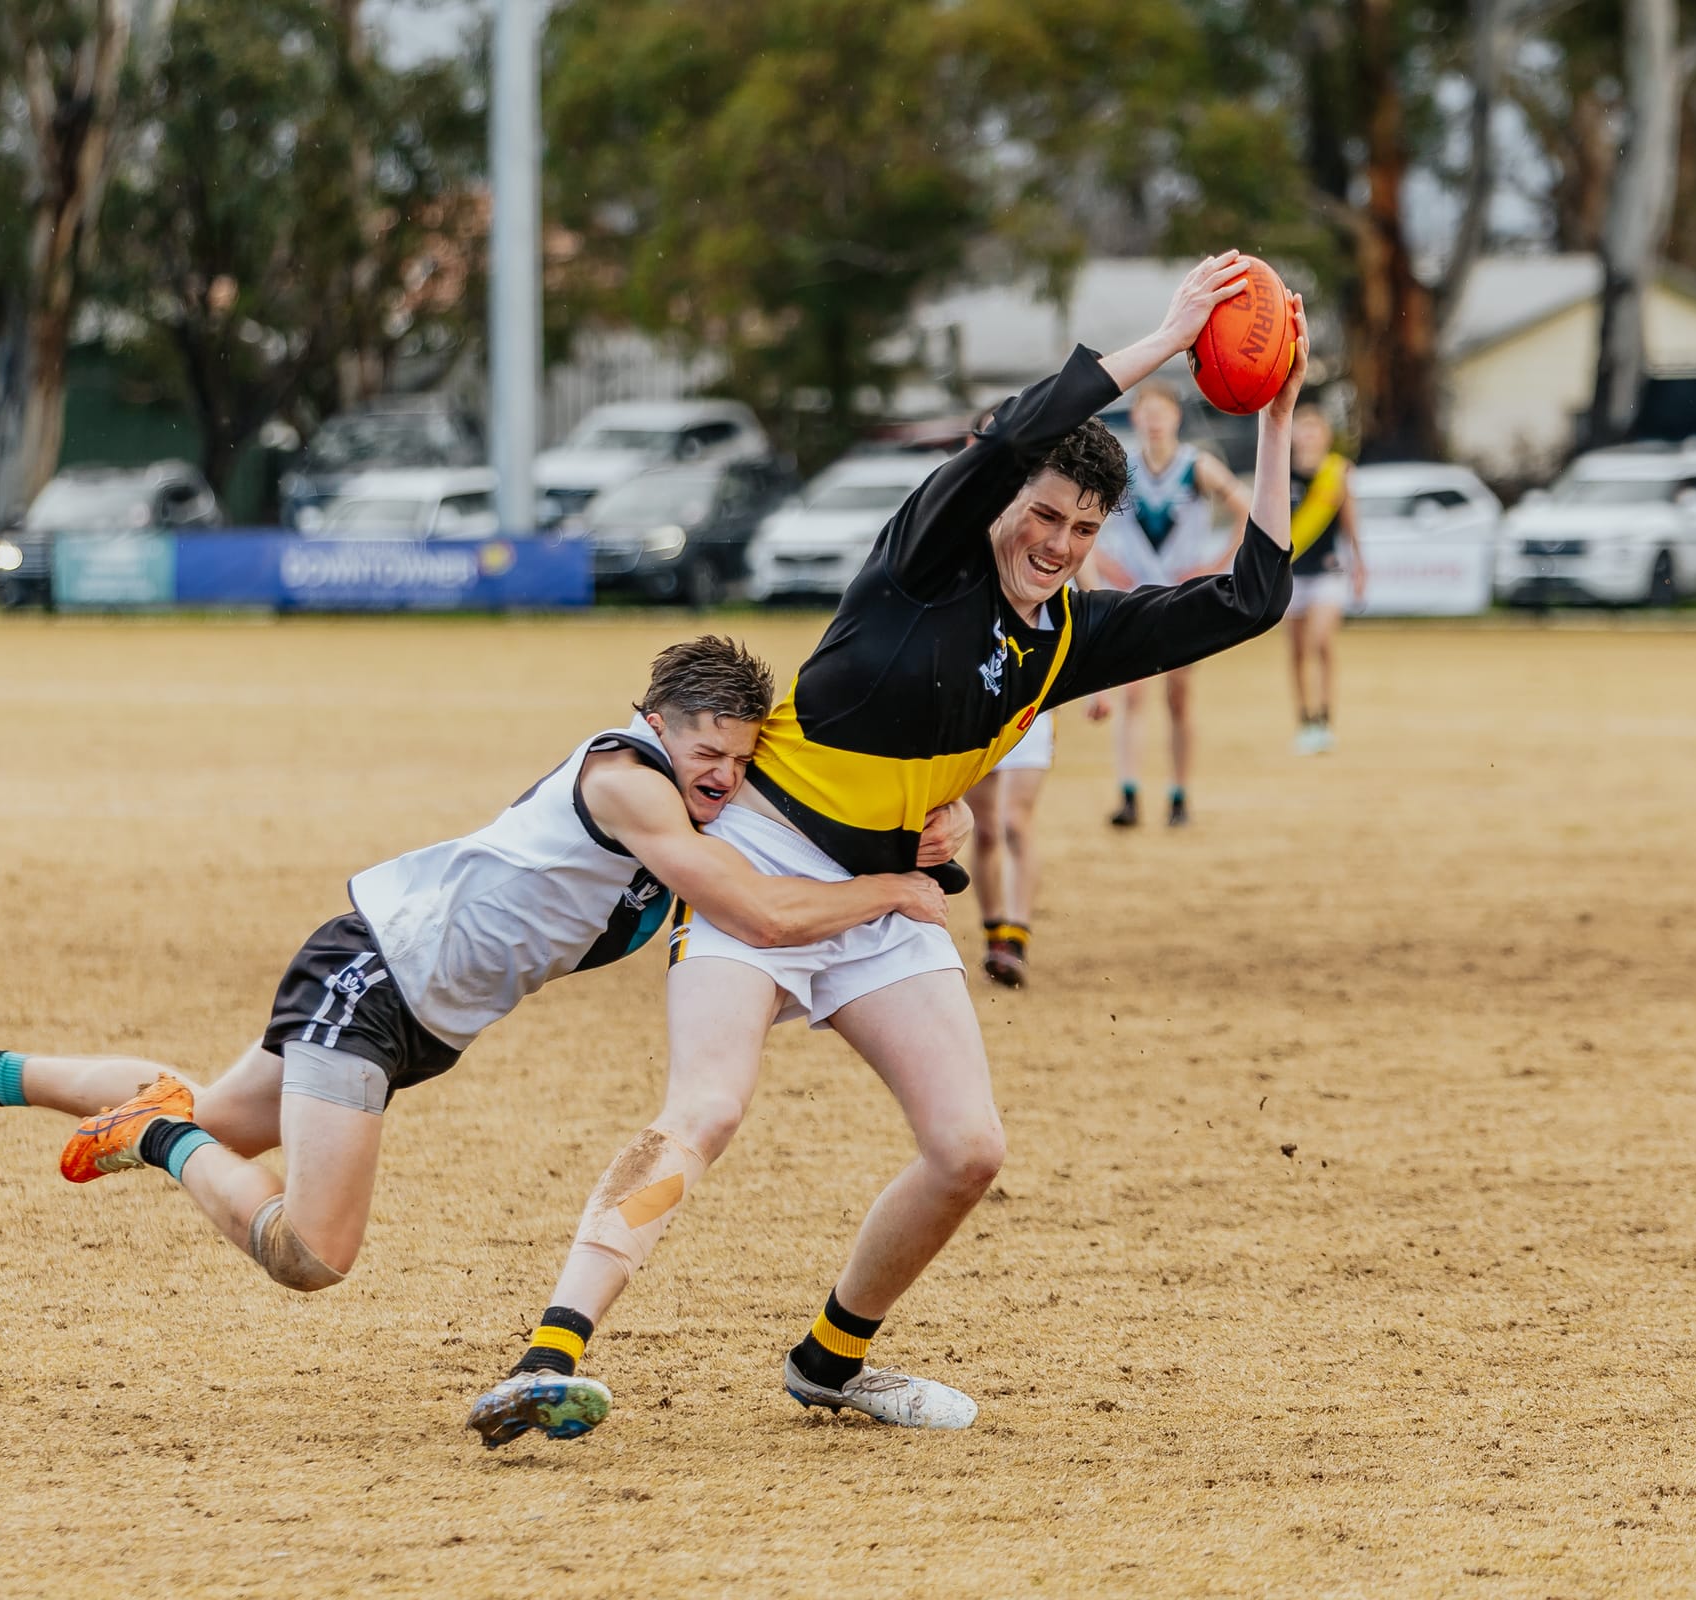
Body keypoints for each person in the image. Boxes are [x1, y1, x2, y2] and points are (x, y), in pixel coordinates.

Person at [470, 253, 1304, 1447]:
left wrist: (1272, 416)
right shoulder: (924, 560)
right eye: (1039, 514)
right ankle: (546, 1353)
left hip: (888, 900)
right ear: (1002, 504)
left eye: (1079, 526)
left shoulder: (1074, 638)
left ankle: (829, 1361)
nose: (1055, 542)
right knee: (704, 1109)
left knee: (968, 1149)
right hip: (761, 861)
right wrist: (1164, 341)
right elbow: (1018, 427)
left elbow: (1251, 596)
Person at [0, 636, 957, 1440]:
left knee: (225, 1112)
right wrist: (897, 889)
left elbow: (798, 835)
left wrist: (916, 826)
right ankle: (154, 1138)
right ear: (653, 721)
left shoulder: (691, 801)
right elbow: (763, 914)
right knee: (311, 1251)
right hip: (373, 982)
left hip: (412, 1014)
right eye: (706, 750)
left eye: (737, 757)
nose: (722, 775)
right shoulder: (631, 781)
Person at [1093, 382, 1251, 828]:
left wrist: (1216, 565)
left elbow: (1248, 508)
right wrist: (1104, 562)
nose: (1155, 420)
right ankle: (1128, 794)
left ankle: (1179, 794)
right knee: (1133, 694)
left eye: (1162, 411)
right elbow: (1080, 516)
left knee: (1179, 699)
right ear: (1137, 418)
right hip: (1134, 597)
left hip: (1181, 598)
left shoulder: (1196, 466)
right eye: (1147, 412)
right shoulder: (1120, 469)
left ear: (1176, 418)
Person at [1284, 404, 1365, 754]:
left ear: (1326, 436)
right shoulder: (1280, 471)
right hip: (1289, 573)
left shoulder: (1338, 471)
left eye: (1314, 428)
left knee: (1321, 642)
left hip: (1327, 572)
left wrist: (1360, 564)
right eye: (1302, 428)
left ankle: (1325, 715)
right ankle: (1305, 719)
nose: (1308, 435)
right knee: (1297, 651)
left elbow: (1350, 522)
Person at [965, 706, 1052, 987]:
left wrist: (1096, 692)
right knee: (985, 832)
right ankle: (994, 933)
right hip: (978, 708)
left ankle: (1016, 941)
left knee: (1014, 823)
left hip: (1033, 710)